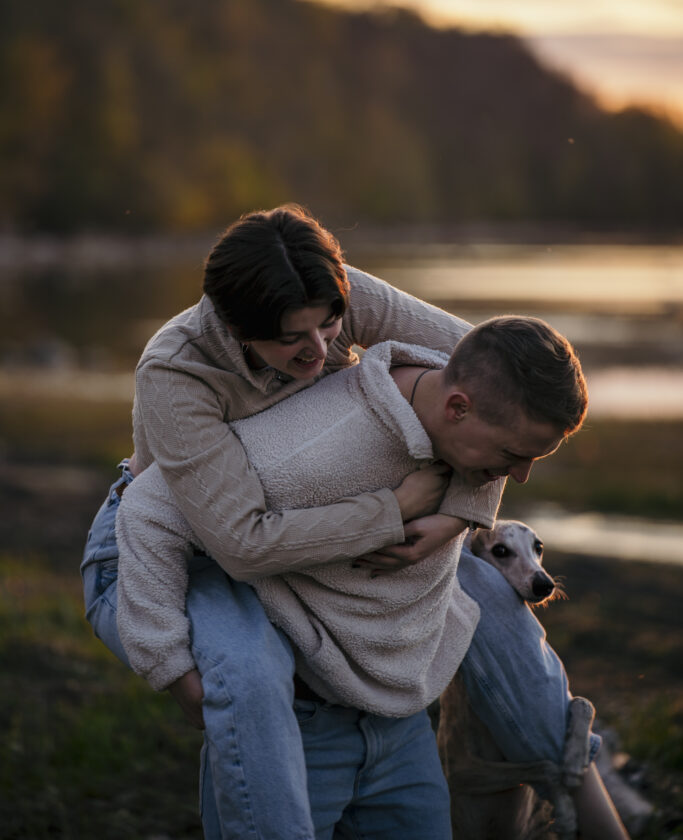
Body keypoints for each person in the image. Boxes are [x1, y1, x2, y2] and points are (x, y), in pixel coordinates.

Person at [80, 206, 622, 839]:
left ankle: (584, 793)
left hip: (305, 518)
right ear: (236, 326)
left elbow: (490, 376)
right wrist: (393, 511)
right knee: (250, 675)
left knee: (495, 607)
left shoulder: (328, 297)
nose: (320, 349)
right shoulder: (176, 373)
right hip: (184, 548)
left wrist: (458, 513)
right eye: (292, 339)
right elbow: (242, 543)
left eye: (329, 326)